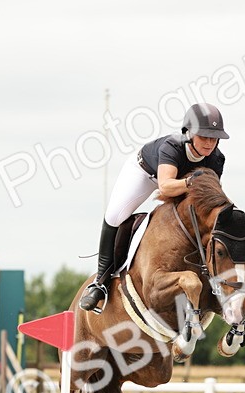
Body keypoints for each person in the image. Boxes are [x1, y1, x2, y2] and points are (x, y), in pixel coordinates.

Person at [78, 102, 230, 313]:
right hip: (145, 174)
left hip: (184, 185)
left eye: (214, 138)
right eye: (204, 136)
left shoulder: (216, 159)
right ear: (188, 134)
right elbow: (165, 186)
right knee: (115, 215)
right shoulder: (173, 146)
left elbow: (207, 199)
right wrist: (189, 183)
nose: (210, 143)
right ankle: (100, 283)